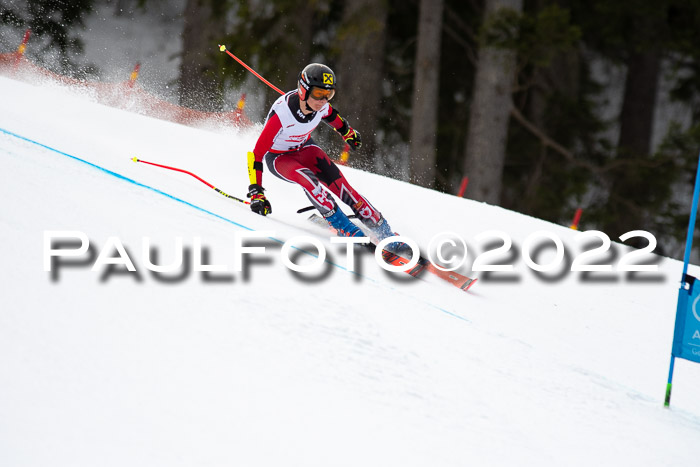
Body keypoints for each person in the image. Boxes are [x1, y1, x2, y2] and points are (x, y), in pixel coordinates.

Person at [245, 62, 402, 246]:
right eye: (319, 93)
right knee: (309, 181)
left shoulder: (322, 106)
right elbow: (256, 154)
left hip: (305, 149)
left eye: (329, 94)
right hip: (280, 158)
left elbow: (332, 117)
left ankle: (385, 232)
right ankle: (345, 227)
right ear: (303, 91)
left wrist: (347, 133)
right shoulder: (282, 115)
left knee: (344, 188)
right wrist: (257, 192)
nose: (323, 100)